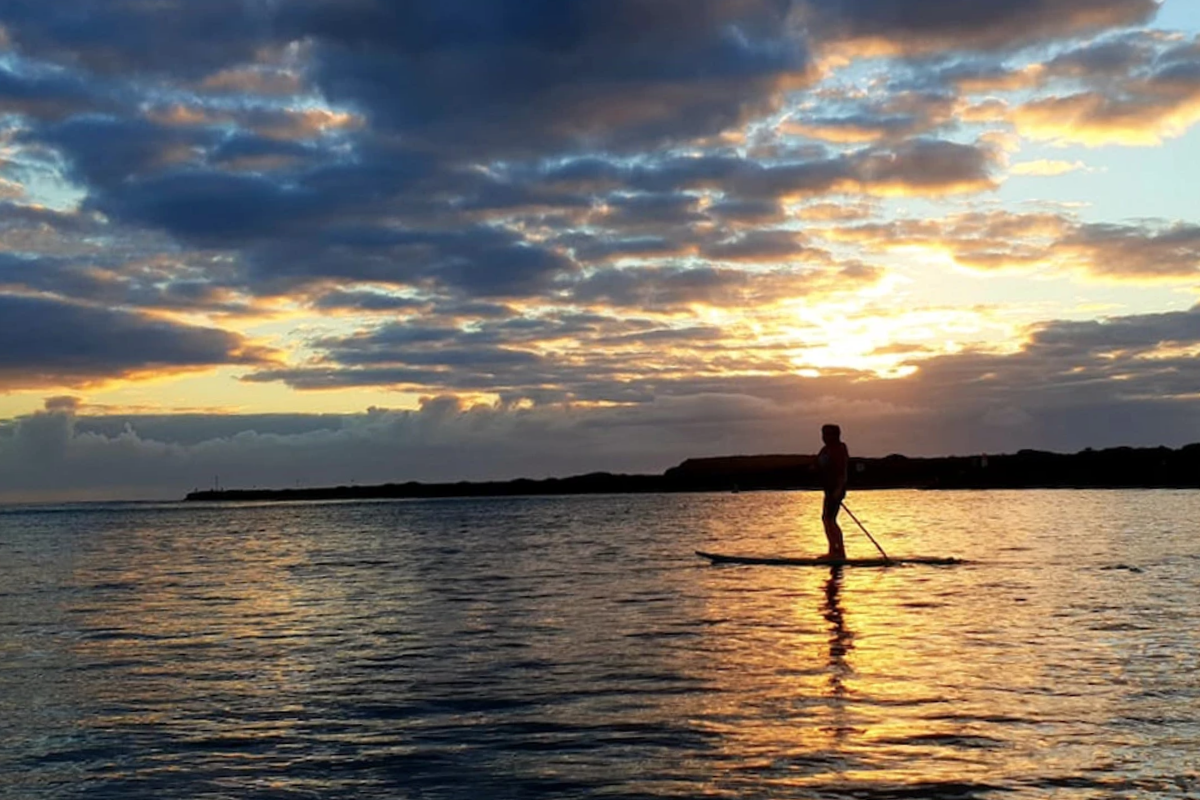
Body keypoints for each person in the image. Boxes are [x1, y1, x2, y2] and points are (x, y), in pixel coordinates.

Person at [816, 423, 849, 559]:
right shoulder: (825, 450)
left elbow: (842, 472)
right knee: (826, 519)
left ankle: (839, 551)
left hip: (836, 489)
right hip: (828, 490)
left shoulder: (839, 449)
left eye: (827, 434)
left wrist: (839, 489)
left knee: (830, 519)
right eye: (823, 434)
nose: (824, 437)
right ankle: (832, 549)